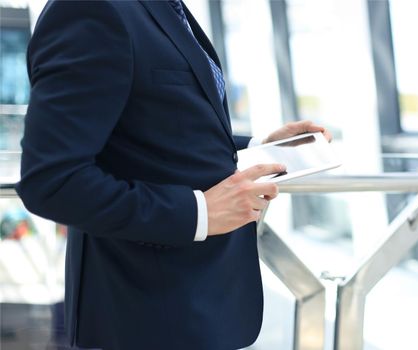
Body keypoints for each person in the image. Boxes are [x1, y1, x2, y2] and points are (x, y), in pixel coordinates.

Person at [16, 1, 331, 349]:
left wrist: (260, 145)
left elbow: (155, 127)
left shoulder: (163, 8)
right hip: (145, 313)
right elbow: (52, 182)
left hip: (196, 305)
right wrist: (197, 213)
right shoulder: (90, 8)